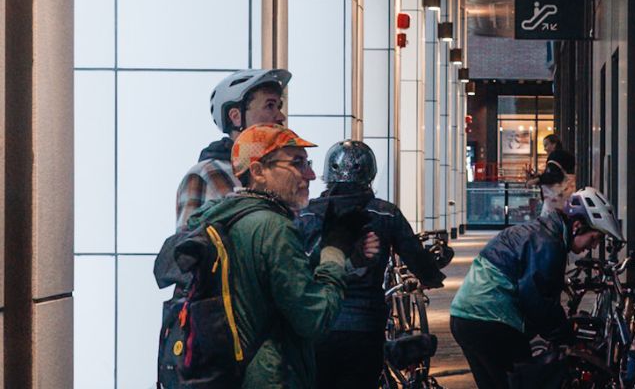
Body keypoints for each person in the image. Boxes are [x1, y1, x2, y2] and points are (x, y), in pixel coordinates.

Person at [184, 123, 371, 388]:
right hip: (272, 377)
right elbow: (314, 318)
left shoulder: (230, 217)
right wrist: (334, 252)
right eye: (297, 164)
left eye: (308, 163)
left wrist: (343, 257)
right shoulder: (272, 227)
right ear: (258, 171)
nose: (311, 174)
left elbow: (272, 288)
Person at [297, 140, 446, 389]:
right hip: (365, 325)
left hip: (318, 323)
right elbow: (414, 254)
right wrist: (431, 277)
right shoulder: (386, 213)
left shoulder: (306, 214)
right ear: (371, 173)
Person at [450, 186, 622, 389]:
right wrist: (568, 338)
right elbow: (538, 301)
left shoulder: (539, 231)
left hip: (465, 317)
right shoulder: (548, 243)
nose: (592, 246)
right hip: (491, 320)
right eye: (594, 238)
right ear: (577, 226)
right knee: (525, 381)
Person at [175, 68, 291, 230]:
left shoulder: (279, 171)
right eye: (270, 105)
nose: (280, 116)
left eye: (279, 106)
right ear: (235, 116)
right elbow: (185, 247)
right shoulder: (206, 173)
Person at [534, 135, 576, 214]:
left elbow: (553, 176)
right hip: (569, 196)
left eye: (546, 145)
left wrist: (536, 180)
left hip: (556, 200)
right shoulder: (566, 156)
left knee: (548, 220)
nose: (545, 149)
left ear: (554, 144)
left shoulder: (554, 157)